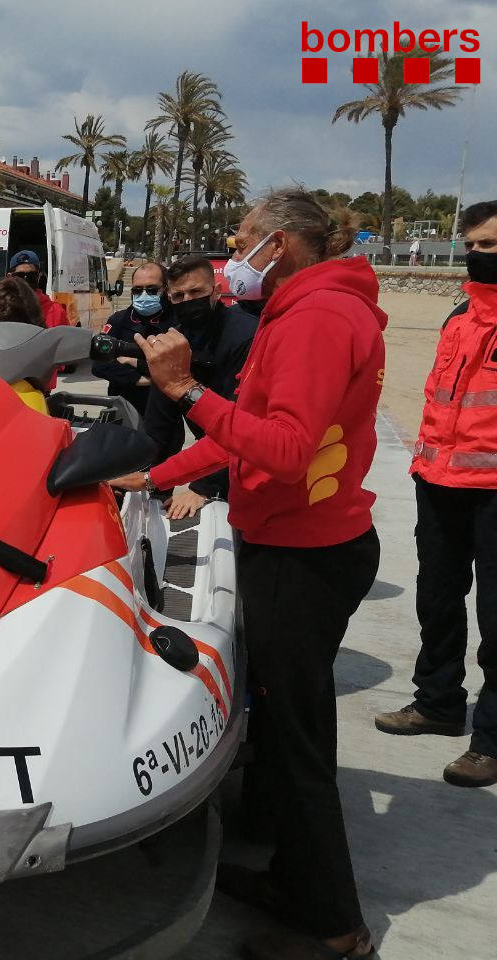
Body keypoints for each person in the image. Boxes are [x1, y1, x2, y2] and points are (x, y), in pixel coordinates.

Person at [115, 189, 384, 960]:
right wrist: (158, 474)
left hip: (304, 554)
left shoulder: (319, 319)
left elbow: (287, 447)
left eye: (240, 238)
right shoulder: (303, 311)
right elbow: (249, 431)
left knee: (298, 740)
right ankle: (292, 876)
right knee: (280, 722)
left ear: (280, 245)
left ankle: (334, 927)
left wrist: (183, 391)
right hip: (299, 538)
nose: (234, 253)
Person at [374, 200, 497, 788]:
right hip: (440, 483)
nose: (475, 256)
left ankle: (492, 739)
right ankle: (439, 703)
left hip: (495, 491)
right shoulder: (458, 316)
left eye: (489, 246)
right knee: (437, 601)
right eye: (470, 245)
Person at [141, 254, 259, 520]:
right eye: (178, 296)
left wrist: (205, 487)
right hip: (211, 448)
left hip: (249, 460)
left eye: (196, 292)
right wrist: (153, 482)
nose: (188, 301)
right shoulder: (174, 339)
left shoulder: (245, 336)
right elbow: (160, 424)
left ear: (216, 292)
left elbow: (241, 422)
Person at [91, 260, 170, 417]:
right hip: (122, 411)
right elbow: (99, 364)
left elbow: (176, 368)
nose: (144, 295)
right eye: (137, 290)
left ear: (166, 289)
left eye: (152, 289)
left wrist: (132, 361)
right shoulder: (118, 320)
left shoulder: (175, 322)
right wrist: (139, 379)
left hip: (162, 414)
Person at [7, 249, 74, 327]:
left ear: (38, 277)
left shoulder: (56, 311)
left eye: (31, 275)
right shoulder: (2, 308)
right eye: (20, 276)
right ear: (10, 277)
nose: (26, 279)